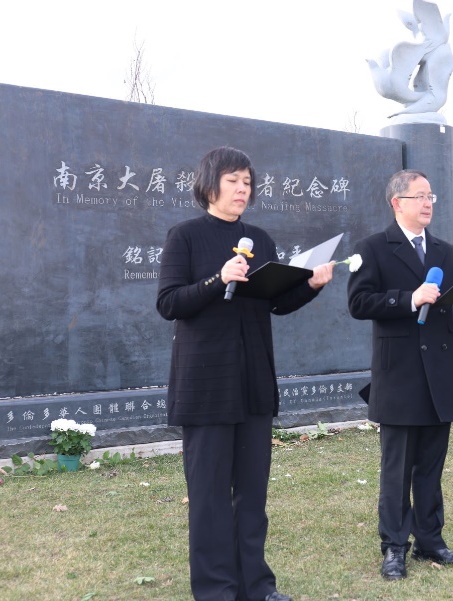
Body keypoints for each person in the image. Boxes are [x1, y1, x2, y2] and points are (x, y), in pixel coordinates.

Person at [156, 146, 334, 601]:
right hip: (206, 385)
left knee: (252, 494)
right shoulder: (186, 237)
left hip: (253, 381)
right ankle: (216, 589)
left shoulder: (261, 239)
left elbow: (275, 303)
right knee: (211, 496)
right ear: (210, 184)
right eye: (234, 180)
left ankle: (256, 585)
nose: (242, 189)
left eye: (248, 183)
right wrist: (219, 279)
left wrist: (310, 285)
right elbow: (170, 302)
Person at [347, 169, 453, 580]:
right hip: (399, 374)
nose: (427, 203)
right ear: (397, 202)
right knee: (397, 468)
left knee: (430, 465)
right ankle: (393, 547)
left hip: (438, 373)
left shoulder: (443, 250)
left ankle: (430, 540)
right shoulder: (372, 248)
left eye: (431, 196)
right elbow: (359, 302)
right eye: (419, 196)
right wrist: (409, 298)